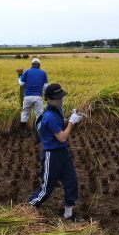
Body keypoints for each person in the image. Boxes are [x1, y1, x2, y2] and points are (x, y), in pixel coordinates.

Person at [29, 83, 83, 219]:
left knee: (71, 182)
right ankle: (28, 208)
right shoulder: (49, 117)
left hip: (63, 154)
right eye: (57, 98)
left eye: (61, 97)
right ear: (48, 99)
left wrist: (70, 117)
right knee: (47, 187)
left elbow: (59, 125)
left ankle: (68, 214)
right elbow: (63, 137)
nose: (60, 100)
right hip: (51, 156)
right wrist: (71, 122)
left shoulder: (56, 110)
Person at [18, 58, 48, 132]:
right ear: (39, 65)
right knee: (39, 115)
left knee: (25, 113)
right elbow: (46, 87)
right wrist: (46, 96)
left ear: (32, 64)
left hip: (27, 97)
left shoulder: (27, 72)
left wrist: (20, 75)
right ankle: (38, 132)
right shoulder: (43, 73)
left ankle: (22, 131)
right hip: (38, 97)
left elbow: (21, 84)